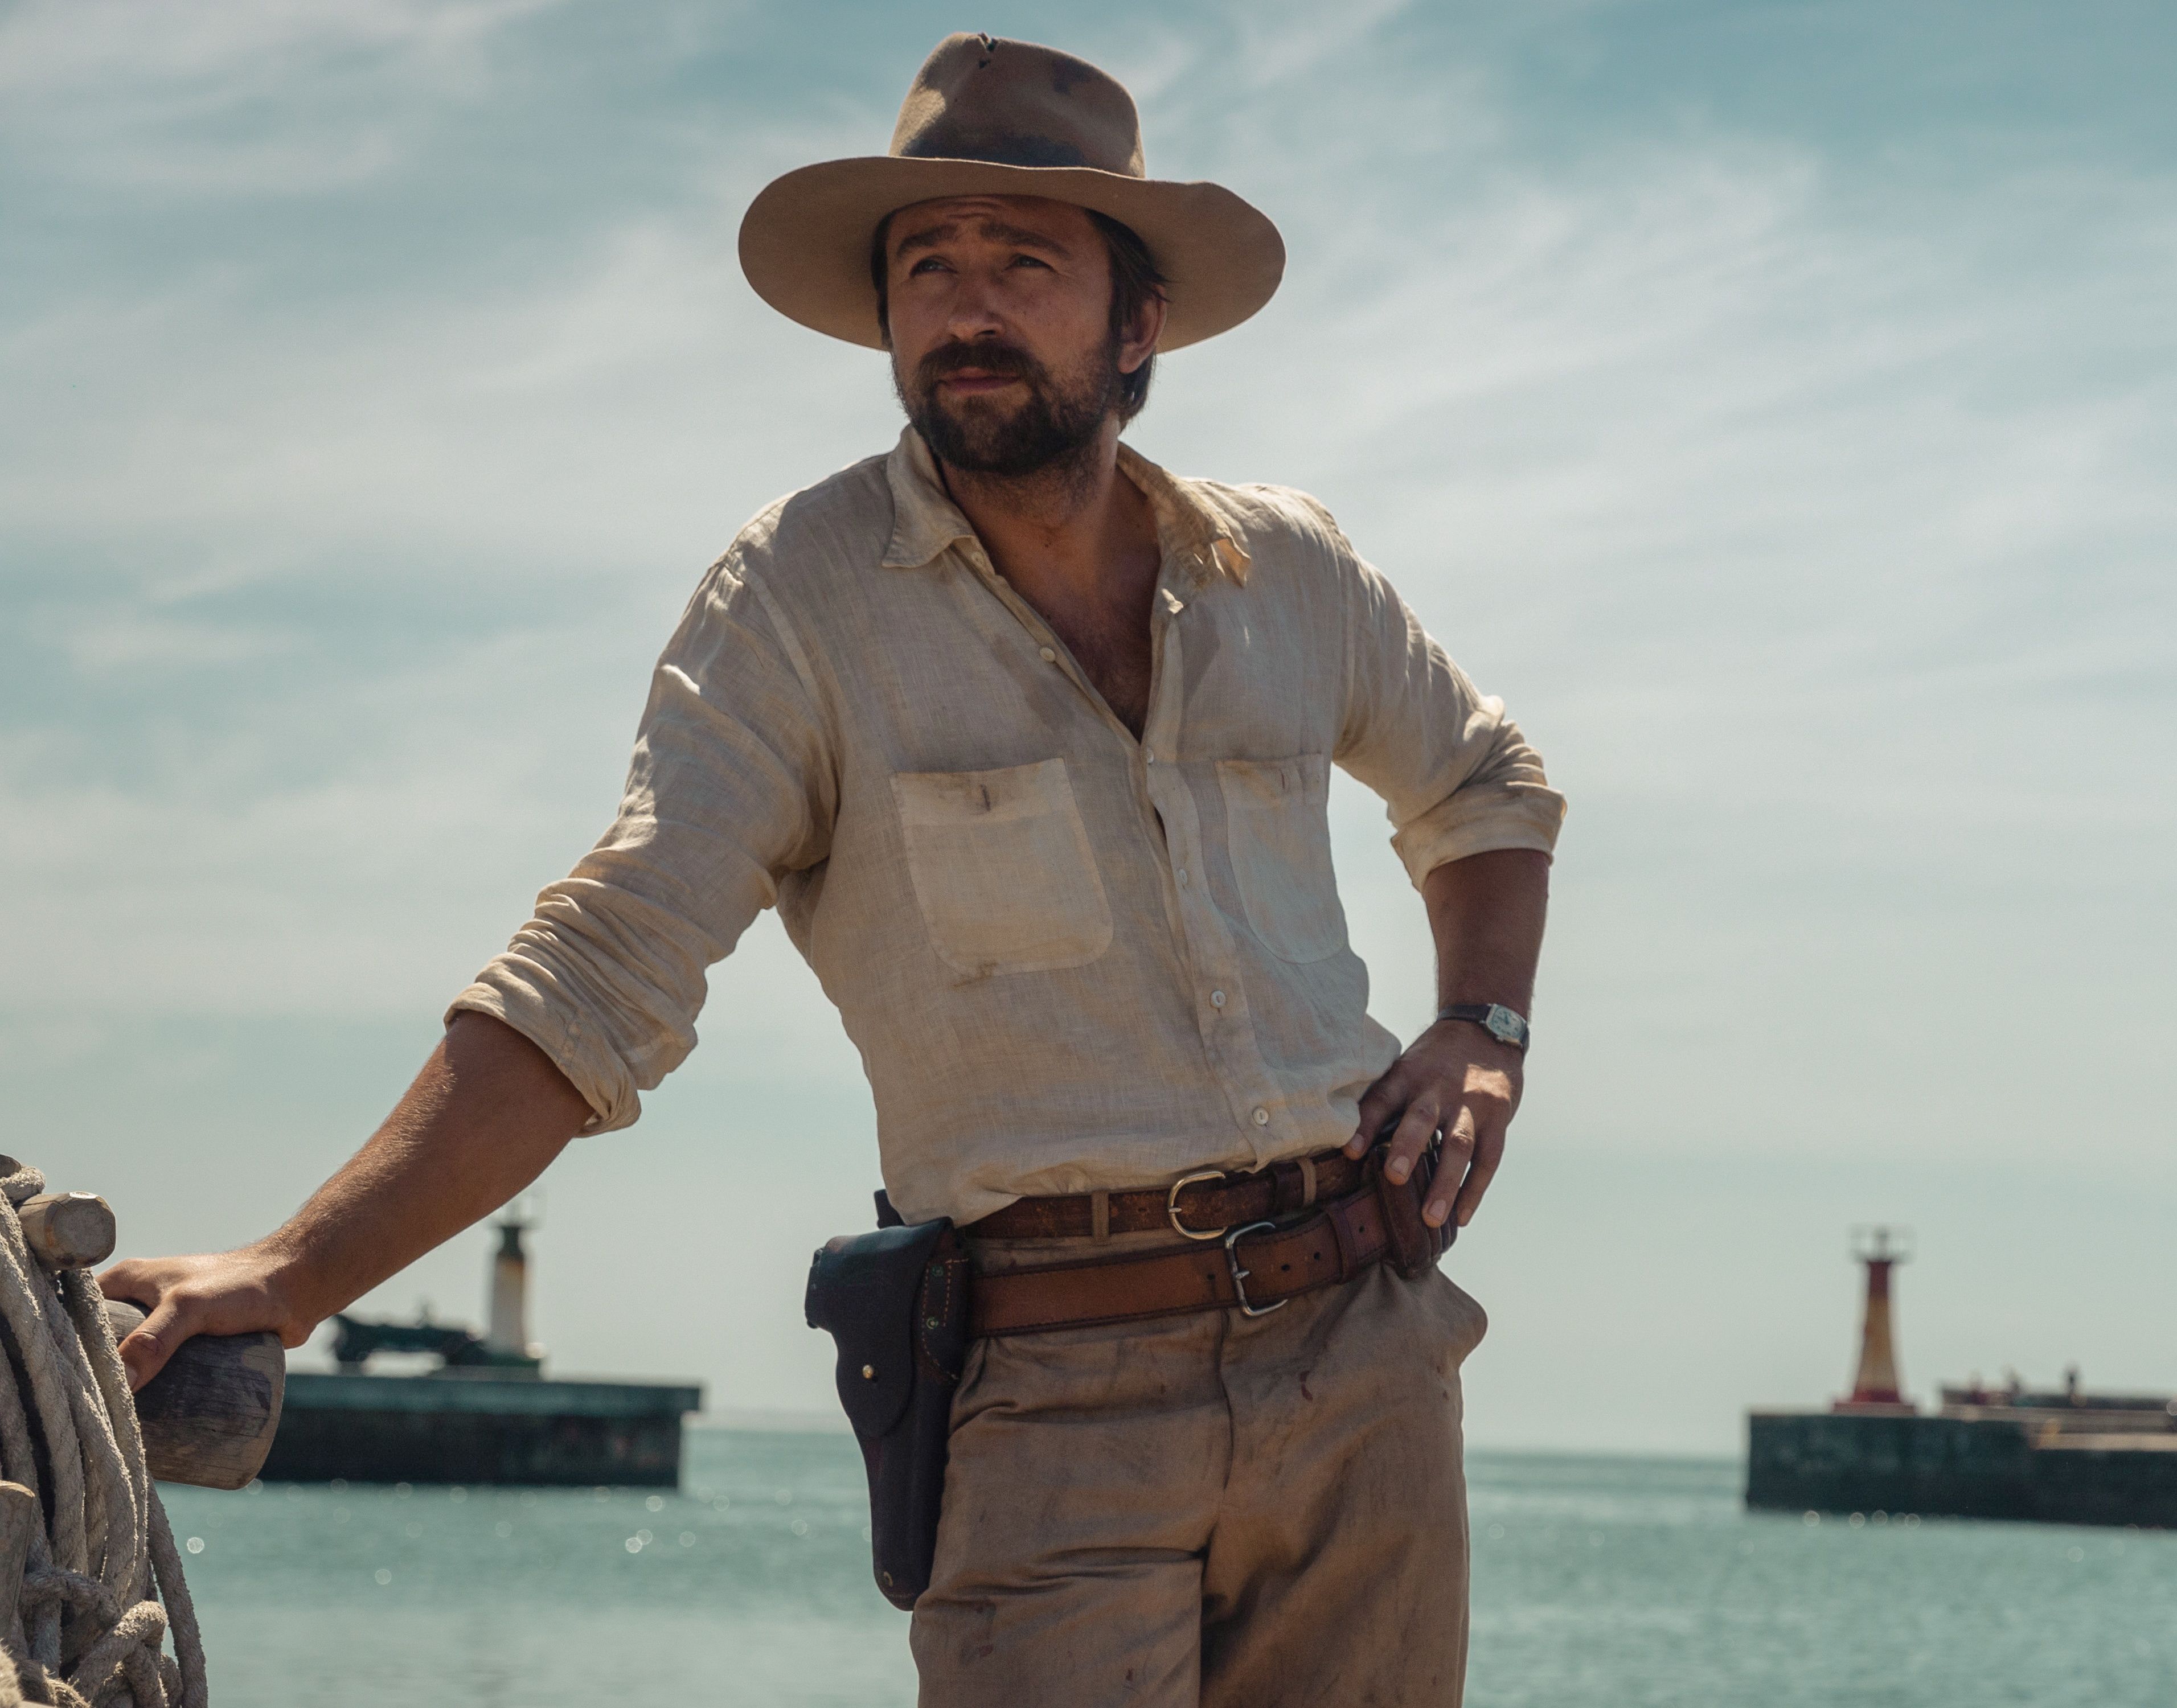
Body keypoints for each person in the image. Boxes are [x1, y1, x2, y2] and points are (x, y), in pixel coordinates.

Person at [99, 35, 1561, 1708]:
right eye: (926, 265)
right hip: (1049, 1395)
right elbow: (603, 968)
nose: (965, 304)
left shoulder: (1288, 570)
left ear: (1137, 323)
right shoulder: (801, 601)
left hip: (1362, 1362)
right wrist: (296, 1274)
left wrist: (1485, 1031)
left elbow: (1485, 780)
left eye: (1023, 259)